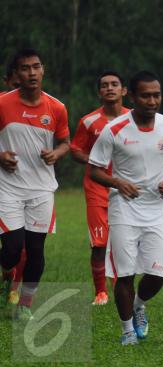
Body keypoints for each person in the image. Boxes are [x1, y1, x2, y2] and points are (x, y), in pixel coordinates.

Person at [89, 71, 163, 346]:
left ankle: (139, 305)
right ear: (131, 95)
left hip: (157, 209)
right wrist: (118, 182)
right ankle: (127, 330)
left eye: (157, 95)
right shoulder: (114, 129)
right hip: (124, 210)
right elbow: (94, 170)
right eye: (146, 95)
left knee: (156, 275)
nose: (152, 101)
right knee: (125, 274)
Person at [0, 49, 70, 320]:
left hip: (41, 189)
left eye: (36, 67)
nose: (31, 72)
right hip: (8, 187)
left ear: (43, 70)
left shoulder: (57, 107)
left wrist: (56, 153)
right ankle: (8, 272)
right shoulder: (3, 104)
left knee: (36, 250)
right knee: (14, 248)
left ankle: (25, 306)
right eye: (25, 68)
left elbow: (66, 143)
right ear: (16, 74)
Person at [71, 71, 129, 305]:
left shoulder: (133, 119)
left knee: (123, 239)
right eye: (104, 85)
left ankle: (121, 284)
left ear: (124, 90)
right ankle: (100, 292)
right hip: (96, 187)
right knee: (99, 243)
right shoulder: (88, 121)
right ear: (99, 92)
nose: (110, 88)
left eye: (115, 84)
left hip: (125, 188)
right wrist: (94, 161)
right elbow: (75, 149)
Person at [1, 61, 25, 305]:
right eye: (15, 85)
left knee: (19, 245)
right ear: (7, 81)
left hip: (20, 188)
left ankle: (13, 286)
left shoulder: (41, 108)